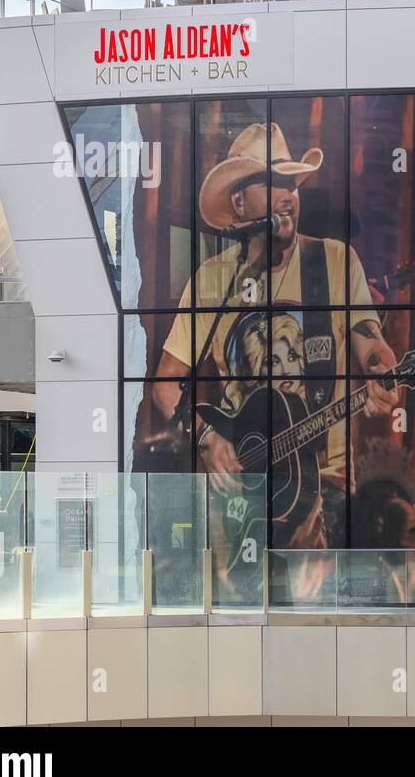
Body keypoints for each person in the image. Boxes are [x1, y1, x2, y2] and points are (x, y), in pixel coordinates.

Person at [152, 121, 401, 587]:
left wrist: (381, 369)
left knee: (318, 626)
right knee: (236, 621)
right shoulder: (213, 280)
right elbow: (167, 383)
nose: (287, 195)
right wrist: (207, 437)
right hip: (241, 491)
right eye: (272, 183)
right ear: (240, 204)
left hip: (324, 485)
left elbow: (371, 341)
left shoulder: (333, 261)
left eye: (292, 183)